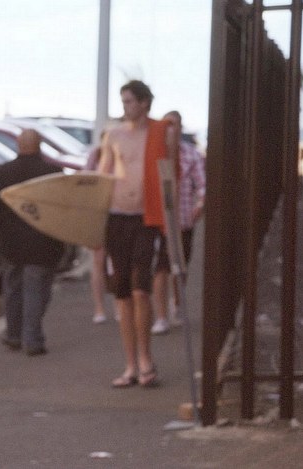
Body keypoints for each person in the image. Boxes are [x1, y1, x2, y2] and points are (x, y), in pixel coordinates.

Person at [97, 79, 178, 388]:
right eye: (123, 101)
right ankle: (130, 364)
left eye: (130, 101)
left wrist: (172, 221)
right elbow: (103, 175)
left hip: (146, 219)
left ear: (144, 102)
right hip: (117, 217)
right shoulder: (114, 135)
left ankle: (145, 358)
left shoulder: (159, 132)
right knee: (122, 294)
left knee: (140, 288)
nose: (125, 107)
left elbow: (170, 173)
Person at [0, 129, 65, 356]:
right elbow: (65, 209)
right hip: (44, 243)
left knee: (13, 290)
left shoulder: (3, 172)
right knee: (37, 291)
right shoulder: (53, 173)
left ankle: (13, 335)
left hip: (10, 244)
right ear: (40, 144)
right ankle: (32, 340)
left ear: (18, 144)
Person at [150, 110, 206, 335]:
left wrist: (199, 206)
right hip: (157, 221)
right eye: (168, 125)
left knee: (180, 267)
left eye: (176, 125)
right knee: (160, 267)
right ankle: (161, 316)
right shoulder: (154, 153)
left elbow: (203, 185)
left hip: (182, 220)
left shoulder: (191, 155)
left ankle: (178, 303)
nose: (172, 129)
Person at [84, 130, 111, 324]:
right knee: (98, 261)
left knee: (118, 262)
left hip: (118, 212)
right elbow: (86, 182)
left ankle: (119, 304)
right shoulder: (95, 155)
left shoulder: (121, 157)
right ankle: (99, 308)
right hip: (98, 214)